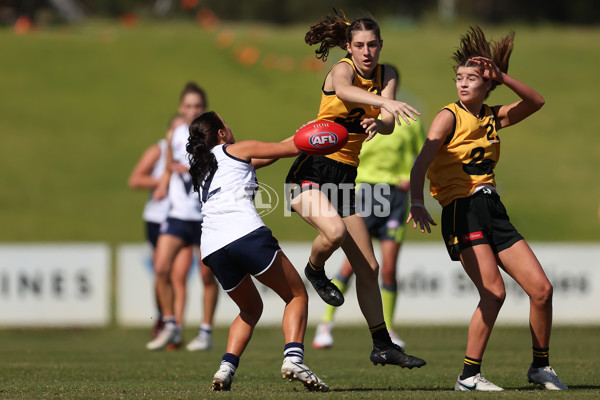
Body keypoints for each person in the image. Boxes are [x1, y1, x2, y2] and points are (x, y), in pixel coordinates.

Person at [407, 26, 567, 391]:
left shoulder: (493, 116)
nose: (463, 84)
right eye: (459, 78)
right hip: (462, 210)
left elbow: (537, 102)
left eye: (472, 79)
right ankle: (468, 376)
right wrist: (417, 201)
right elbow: (421, 163)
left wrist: (503, 76)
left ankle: (540, 367)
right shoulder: (449, 116)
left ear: (487, 83)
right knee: (494, 292)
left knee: (541, 290)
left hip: (493, 209)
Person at [285, 11, 426, 369]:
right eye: (359, 45)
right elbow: (347, 91)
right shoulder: (341, 71)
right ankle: (315, 270)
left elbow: (391, 123)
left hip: (346, 176)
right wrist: (382, 103)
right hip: (311, 170)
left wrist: (381, 120)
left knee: (369, 266)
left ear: (381, 46)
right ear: (348, 47)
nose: (366, 52)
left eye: (372, 45)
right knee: (332, 233)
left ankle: (382, 345)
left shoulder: (387, 73)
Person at [186, 111, 329, 392]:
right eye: (226, 123)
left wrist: (301, 133)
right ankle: (293, 358)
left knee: (250, 308)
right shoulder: (238, 149)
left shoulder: (203, 169)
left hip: (213, 248)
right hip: (245, 234)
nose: (230, 125)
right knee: (296, 295)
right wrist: (317, 132)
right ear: (221, 134)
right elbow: (292, 149)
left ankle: (225, 368)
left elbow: (273, 153)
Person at [313, 104, 425, 349]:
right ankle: (325, 325)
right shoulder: (360, 117)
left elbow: (421, 155)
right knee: (353, 264)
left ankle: (389, 329)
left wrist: (408, 175)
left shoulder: (410, 121)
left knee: (388, 269)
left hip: (395, 197)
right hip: (365, 193)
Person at [146, 82, 219, 351]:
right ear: (181, 108)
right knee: (161, 268)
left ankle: (205, 332)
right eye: (188, 106)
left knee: (207, 275)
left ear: (204, 108)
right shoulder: (175, 134)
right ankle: (171, 325)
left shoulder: (213, 136)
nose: (192, 110)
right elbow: (168, 164)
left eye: (198, 106)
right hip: (177, 214)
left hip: (203, 215)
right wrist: (164, 181)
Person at [128, 114, 192, 339]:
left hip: (183, 218)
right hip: (157, 218)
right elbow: (135, 179)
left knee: (180, 275)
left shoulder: (195, 151)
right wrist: (165, 179)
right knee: (162, 271)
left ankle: (177, 328)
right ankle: (163, 318)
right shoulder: (159, 150)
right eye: (177, 130)